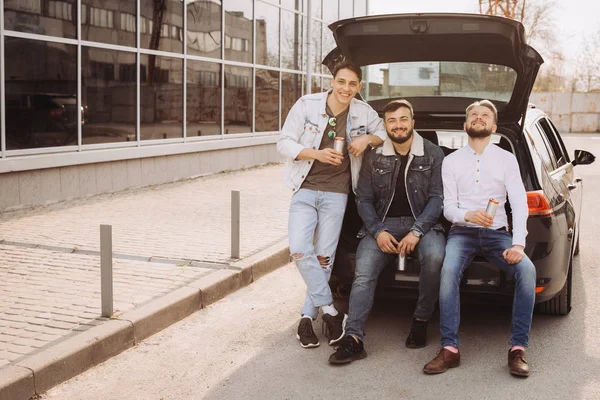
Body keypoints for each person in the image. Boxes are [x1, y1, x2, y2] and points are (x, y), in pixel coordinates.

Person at [277, 62, 387, 348]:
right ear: (332, 81)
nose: (346, 89)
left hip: (338, 194)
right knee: (300, 250)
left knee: (324, 258)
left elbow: (384, 133)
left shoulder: (363, 111)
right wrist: (317, 154)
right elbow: (284, 143)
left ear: (359, 87)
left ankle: (305, 318)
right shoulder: (307, 104)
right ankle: (330, 310)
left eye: (352, 84)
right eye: (341, 82)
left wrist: (366, 138)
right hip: (304, 188)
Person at [423, 100, 536, 377]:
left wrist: (518, 244)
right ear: (465, 125)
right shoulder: (450, 162)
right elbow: (448, 208)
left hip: (498, 235)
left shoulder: (506, 159)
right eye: (473, 114)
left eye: (485, 115)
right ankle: (450, 349)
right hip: (462, 233)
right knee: (447, 271)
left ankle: (517, 348)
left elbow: (520, 203)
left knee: (528, 271)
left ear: (494, 127)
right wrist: (468, 216)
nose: (478, 117)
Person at [328, 99, 446, 364]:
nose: (398, 125)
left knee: (436, 258)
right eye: (391, 121)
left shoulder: (433, 153)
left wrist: (416, 231)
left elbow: (437, 199)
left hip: (423, 224)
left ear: (413, 122)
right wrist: (378, 231)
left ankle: (421, 319)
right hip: (382, 225)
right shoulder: (375, 156)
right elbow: (364, 200)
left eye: (403, 119)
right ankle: (354, 338)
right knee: (363, 271)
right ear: (385, 125)